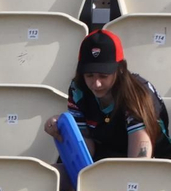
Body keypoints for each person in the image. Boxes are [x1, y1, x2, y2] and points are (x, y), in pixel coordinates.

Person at [45, 29, 171, 162]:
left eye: (103, 76)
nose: (96, 84)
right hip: (103, 160)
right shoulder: (78, 89)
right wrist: (65, 127)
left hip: (155, 164)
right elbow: (84, 147)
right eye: (89, 75)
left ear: (121, 69)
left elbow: (139, 162)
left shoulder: (137, 94)